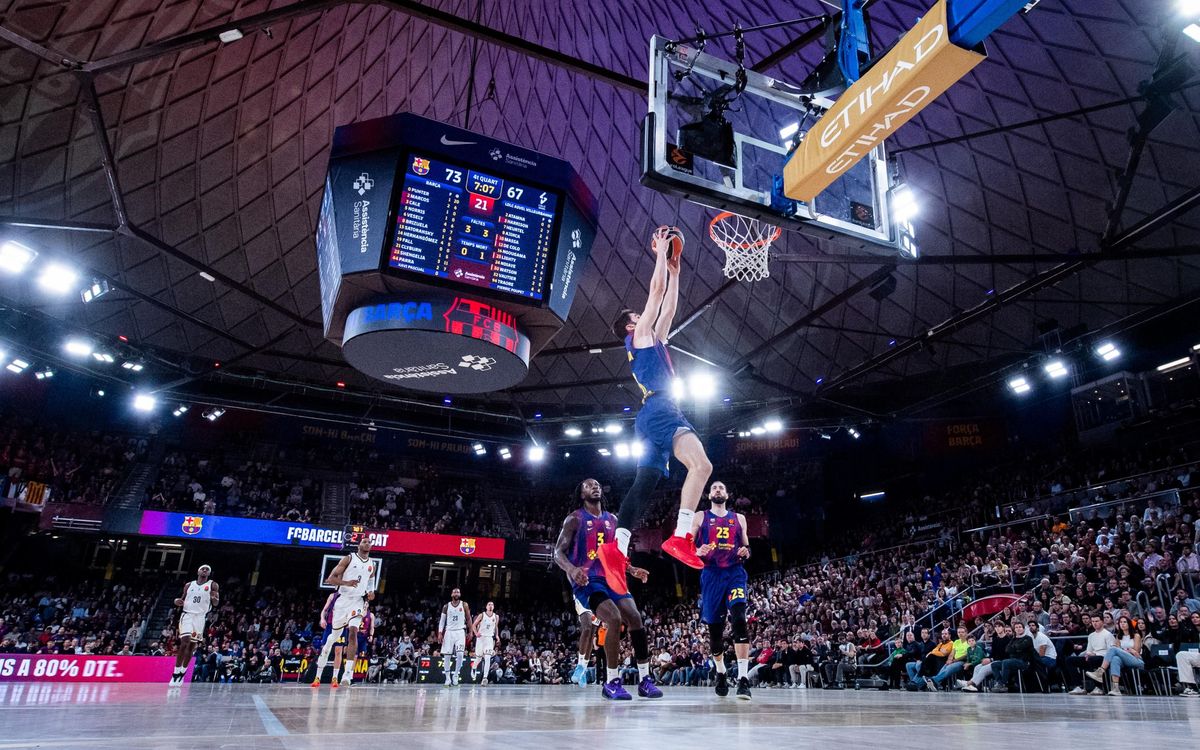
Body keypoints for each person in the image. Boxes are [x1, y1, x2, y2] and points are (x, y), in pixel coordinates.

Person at [598, 227, 712, 593]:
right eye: (639, 314)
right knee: (702, 466)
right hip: (662, 410)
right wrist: (661, 254)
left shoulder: (652, 340)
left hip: (651, 416)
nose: (645, 314)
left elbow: (668, 307)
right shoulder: (639, 334)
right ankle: (680, 534)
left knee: (645, 483)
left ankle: (617, 547)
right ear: (631, 324)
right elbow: (656, 294)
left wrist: (676, 271)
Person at [553, 478, 662, 701]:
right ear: (582, 494)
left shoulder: (612, 519)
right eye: (588, 485)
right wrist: (572, 570)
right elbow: (557, 553)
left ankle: (645, 680)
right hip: (587, 581)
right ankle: (611, 682)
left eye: (597, 484)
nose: (594, 486)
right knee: (613, 619)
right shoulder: (574, 519)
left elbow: (615, 554)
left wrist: (631, 569)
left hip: (611, 576)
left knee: (635, 618)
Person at [691, 481, 752, 700]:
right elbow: (687, 546)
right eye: (714, 488)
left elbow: (747, 547)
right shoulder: (700, 517)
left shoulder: (739, 518)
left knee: (739, 619)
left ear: (727, 494)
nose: (718, 490)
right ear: (709, 495)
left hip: (735, 573)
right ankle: (721, 672)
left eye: (721, 488)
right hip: (711, 575)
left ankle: (744, 680)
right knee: (715, 633)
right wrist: (697, 550)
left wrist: (746, 551)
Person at [312, 536, 376, 687]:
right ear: (359, 545)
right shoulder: (348, 559)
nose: (367, 543)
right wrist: (347, 583)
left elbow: (371, 582)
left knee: (353, 632)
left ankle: (347, 674)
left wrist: (371, 592)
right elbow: (330, 579)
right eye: (364, 541)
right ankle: (322, 660)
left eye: (369, 542)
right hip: (342, 601)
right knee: (332, 639)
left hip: (358, 602)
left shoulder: (372, 564)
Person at [171, 564, 219, 684]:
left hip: (200, 618)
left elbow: (216, 603)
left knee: (192, 646)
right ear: (198, 571)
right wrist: (177, 601)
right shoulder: (189, 585)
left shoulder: (213, 585)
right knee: (185, 642)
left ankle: (182, 672)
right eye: (202, 568)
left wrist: (214, 599)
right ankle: (175, 672)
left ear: (209, 573)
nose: (204, 570)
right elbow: (181, 600)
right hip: (187, 615)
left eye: (207, 569)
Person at [1087, 615, 1144, 696]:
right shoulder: (1118, 636)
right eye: (1120, 622)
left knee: (1113, 649)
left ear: (1129, 624)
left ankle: (1100, 671)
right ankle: (1116, 688)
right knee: (1115, 659)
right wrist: (1127, 650)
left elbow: (1136, 652)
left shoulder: (1136, 635)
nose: (1122, 624)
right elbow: (1121, 650)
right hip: (1124, 660)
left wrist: (1124, 650)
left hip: (1136, 660)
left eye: (1125, 622)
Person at [1067, 614, 1118, 695]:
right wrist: (1088, 654)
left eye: (1097, 621)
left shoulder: (1108, 634)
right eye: (1093, 621)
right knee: (1070, 660)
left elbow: (1111, 651)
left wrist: (1094, 654)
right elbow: (1089, 650)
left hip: (1103, 658)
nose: (1095, 623)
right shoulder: (1091, 635)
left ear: (1102, 622)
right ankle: (1078, 686)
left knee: (1092, 659)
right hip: (1092, 657)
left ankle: (1099, 688)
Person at [437, 588, 474, 687]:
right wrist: (440, 633)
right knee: (447, 656)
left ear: (460, 594)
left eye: (458, 592)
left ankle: (456, 675)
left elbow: (469, 618)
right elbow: (442, 621)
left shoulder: (464, 605)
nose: (456, 593)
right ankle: (448, 678)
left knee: (460, 654)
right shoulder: (446, 606)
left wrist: (471, 631)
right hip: (449, 632)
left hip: (460, 631)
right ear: (451, 594)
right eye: (454, 592)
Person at [991, 621, 1039, 692]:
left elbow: (1020, 646)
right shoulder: (1013, 639)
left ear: (1023, 629)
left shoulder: (1028, 638)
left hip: (1024, 662)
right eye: (1016, 627)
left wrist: (1014, 648)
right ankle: (999, 682)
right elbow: (1007, 650)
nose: (1018, 629)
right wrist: (1015, 648)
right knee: (994, 664)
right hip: (1013, 661)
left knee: (1006, 662)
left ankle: (1004, 684)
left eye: (1020, 627)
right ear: (1014, 629)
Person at [472, 602, 499, 686]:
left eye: (492, 605)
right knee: (479, 658)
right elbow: (473, 625)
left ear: (493, 607)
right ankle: (473, 667)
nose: (490, 606)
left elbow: (496, 627)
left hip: (489, 639)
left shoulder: (496, 616)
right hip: (481, 638)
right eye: (489, 604)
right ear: (486, 607)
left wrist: (497, 636)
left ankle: (485, 678)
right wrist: (476, 633)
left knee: (487, 658)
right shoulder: (482, 615)